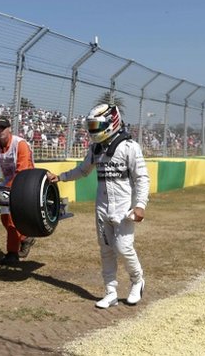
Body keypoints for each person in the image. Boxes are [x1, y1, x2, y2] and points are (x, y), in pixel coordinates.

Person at [46, 104, 149, 309]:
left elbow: (142, 178)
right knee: (106, 250)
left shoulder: (130, 147)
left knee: (123, 247)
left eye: (96, 125)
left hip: (124, 208)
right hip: (102, 206)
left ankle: (137, 280)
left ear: (111, 123)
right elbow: (83, 170)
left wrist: (140, 205)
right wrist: (60, 177)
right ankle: (110, 292)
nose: (93, 130)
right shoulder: (96, 148)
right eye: (91, 126)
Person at [0, 115, 35, 266]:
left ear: (9, 129)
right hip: (7, 183)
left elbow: (22, 170)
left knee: (12, 218)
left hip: (26, 182)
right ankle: (25, 238)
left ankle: (12, 253)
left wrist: (6, 188)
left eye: (3, 127)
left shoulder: (20, 144)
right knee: (5, 218)